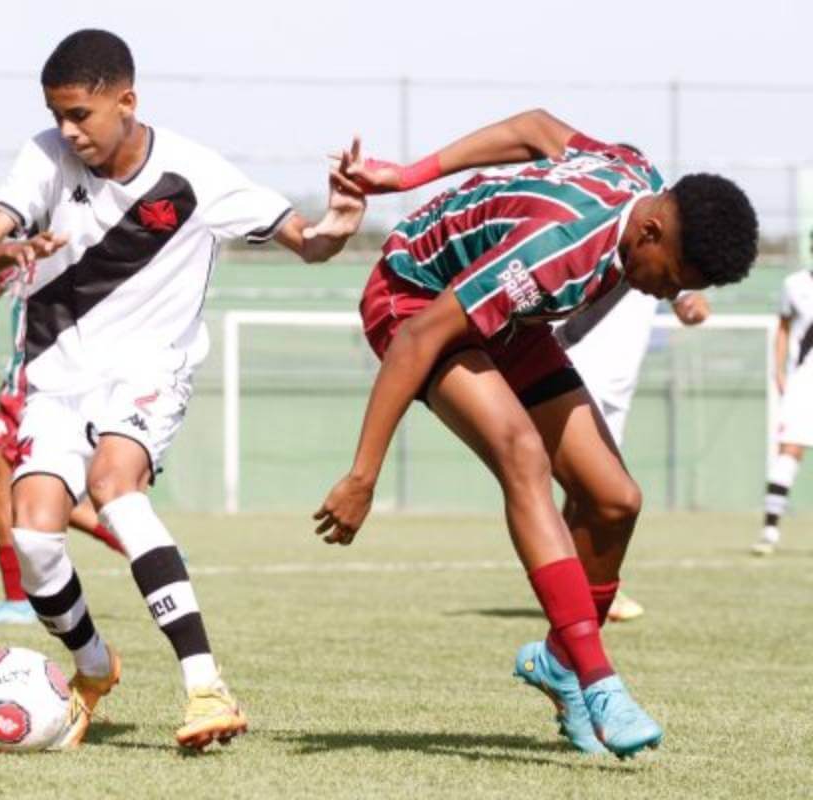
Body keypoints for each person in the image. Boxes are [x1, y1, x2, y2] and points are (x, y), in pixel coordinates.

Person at [0, 29, 363, 750]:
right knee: (33, 534)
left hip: (149, 371)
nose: (67, 129)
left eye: (80, 113)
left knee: (117, 486)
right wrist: (12, 246)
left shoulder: (193, 173)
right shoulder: (44, 156)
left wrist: (337, 221)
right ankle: (92, 668)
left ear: (126, 100)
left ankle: (206, 687)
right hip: (55, 373)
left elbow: (308, 241)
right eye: (57, 114)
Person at [314, 108, 757, 757]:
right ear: (653, 231)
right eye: (670, 279)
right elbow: (418, 336)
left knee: (613, 500)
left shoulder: (636, 177)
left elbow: (534, 127)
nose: (663, 293)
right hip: (412, 297)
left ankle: (558, 661)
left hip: (503, 318)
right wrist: (363, 475)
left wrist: (407, 173)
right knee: (522, 455)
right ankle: (597, 679)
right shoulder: (559, 250)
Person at [0, 265, 125, 626]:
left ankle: (18, 599)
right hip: (29, 382)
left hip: (37, 384)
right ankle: (137, 540)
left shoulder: (60, 244)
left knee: (10, 490)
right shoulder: (20, 249)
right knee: (25, 491)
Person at [556, 283, 711, 621]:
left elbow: (686, 300)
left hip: (618, 381)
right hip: (578, 364)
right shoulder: (618, 238)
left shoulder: (667, 254)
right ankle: (579, 586)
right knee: (592, 487)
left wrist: (691, 304)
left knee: (586, 491)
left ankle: (572, 584)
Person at [753, 236, 813, 555]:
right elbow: (784, 328)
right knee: (789, 450)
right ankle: (770, 530)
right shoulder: (795, 285)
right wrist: (779, 371)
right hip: (804, 381)